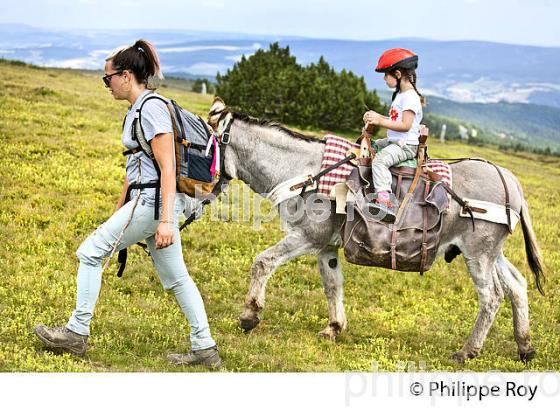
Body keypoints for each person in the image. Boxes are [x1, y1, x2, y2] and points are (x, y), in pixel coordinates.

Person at [34, 39, 221, 369]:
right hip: (145, 201)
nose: (106, 84)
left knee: (90, 253)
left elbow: (166, 168)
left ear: (126, 75)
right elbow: (136, 166)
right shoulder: (139, 109)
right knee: (178, 279)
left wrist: (165, 221)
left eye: (108, 78)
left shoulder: (150, 109)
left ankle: (76, 334)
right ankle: (205, 349)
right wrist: (119, 209)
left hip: (153, 203)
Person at [362, 48, 425, 223]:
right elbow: (394, 120)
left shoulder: (410, 98)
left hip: (406, 146)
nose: (384, 78)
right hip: (395, 141)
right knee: (370, 147)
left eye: (386, 74)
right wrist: (377, 117)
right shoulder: (400, 95)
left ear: (397, 74)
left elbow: (405, 126)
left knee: (380, 160)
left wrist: (380, 121)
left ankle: (385, 202)